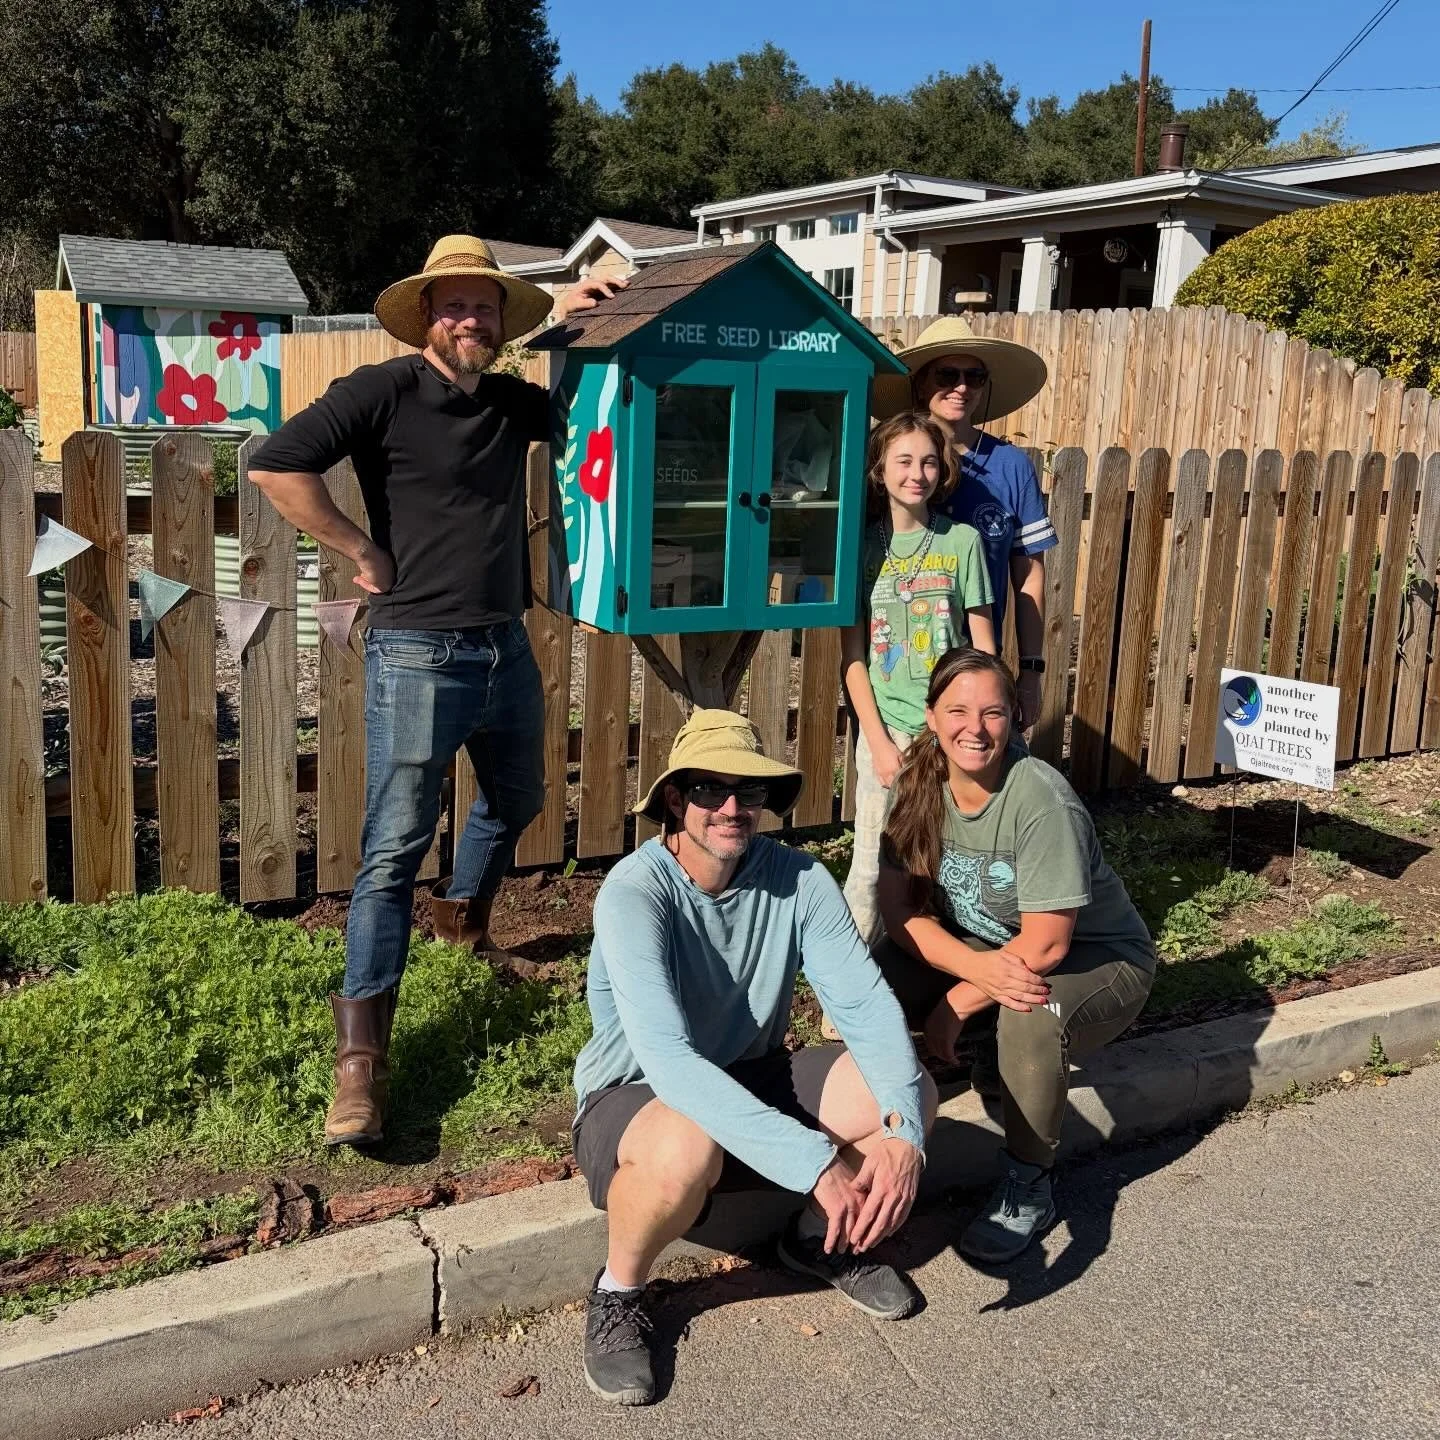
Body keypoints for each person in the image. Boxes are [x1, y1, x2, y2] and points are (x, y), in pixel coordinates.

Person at [248, 236, 620, 1148]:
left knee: (522, 796)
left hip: (503, 643)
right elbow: (274, 463)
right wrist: (356, 548)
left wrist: (582, 317)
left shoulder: (505, 400)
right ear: (428, 316)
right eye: (455, 306)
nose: (470, 321)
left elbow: (592, 409)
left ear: (500, 324)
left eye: (486, 308)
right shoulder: (381, 392)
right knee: (390, 853)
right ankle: (360, 1073)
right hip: (415, 650)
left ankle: (463, 924)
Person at [571, 708, 937, 1406]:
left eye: (750, 790)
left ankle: (823, 1239)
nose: (732, 807)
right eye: (709, 789)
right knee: (684, 1141)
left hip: (750, 1073)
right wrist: (816, 1161)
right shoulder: (635, 891)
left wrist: (905, 1136)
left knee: (907, 1090)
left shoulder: (800, 881)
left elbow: (862, 1005)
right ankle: (619, 1292)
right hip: (640, 1095)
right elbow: (670, 1062)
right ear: (675, 800)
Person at [873, 648, 1155, 1263]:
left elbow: (1049, 944)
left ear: (1016, 717)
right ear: (930, 716)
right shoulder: (916, 786)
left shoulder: (1041, 799)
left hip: (1096, 961)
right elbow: (898, 914)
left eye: (993, 712)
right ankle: (877, 1129)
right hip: (995, 947)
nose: (975, 728)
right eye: (958, 710)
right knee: (872, 978)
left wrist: (955, 1003)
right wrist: (971, 972)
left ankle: (1029, 1183)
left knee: (1028, 1014)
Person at [840, 411, 995, 948]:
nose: (917, 473)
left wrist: (984, 725)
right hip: (887, 732)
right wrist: (878, 743)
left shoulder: (963, 543)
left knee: (944, 862)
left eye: (929, 461)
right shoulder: (858, 549)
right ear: (880, 470)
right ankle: (849, 998)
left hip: (950, 732)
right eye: (904, 460)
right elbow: (854, 659)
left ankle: (929, 970)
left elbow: (982, 648)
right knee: (869, 865)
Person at [872, 315, 1054, 730]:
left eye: (974, 376)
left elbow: (1029, 576)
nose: (962, 387)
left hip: (975, 667)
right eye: (947, 374)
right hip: (895, 676)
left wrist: (1030, 669)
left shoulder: (1010, 467)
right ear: (919, 381)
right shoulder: (888, 463)